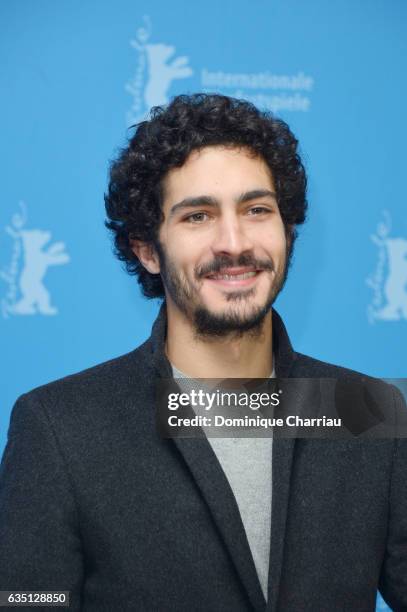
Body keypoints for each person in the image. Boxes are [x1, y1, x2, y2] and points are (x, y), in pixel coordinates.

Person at [0, 94, 406, 612]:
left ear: (287, 229)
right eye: (198, 217)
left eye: (257, 210)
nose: (234, 242)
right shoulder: (61, 427)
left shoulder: (367, 410)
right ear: (147, 248)